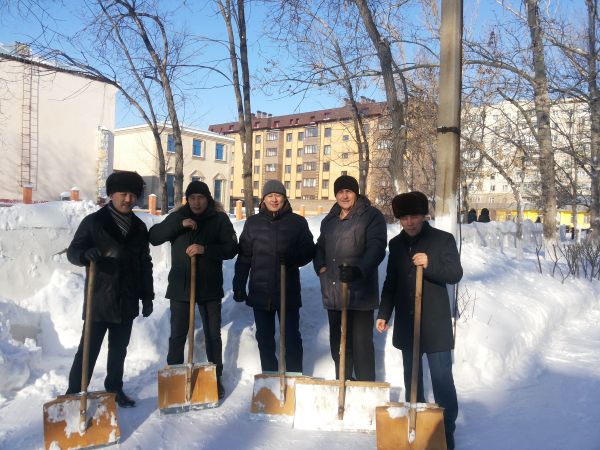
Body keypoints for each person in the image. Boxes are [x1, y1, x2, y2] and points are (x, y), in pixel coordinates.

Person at [376, 191, 463, 450]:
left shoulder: (443, 240)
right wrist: (384, 313)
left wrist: (430, 263)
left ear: (424, 215)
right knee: (412, 380)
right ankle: (418, 424)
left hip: (435, 324)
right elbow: (391, 281)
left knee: (442, 380)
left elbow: (455, 273)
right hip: (407, 323)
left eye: (414, 216)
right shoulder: (396, 244)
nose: (409, 222)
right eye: (404, 218)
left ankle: (445, 431)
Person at [65, 171, 154, 408]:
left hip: (127, 298)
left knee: (118, 350)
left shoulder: (139, 227)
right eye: (123, 194)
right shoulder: (94, 222)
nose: (128, 199)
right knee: (88, 349)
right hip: (100, 299)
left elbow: (144, 263)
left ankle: (114, 388)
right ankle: (74, 393)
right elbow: (73, 251)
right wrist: (84, 254)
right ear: (112, 194)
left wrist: (147, 296)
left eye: (133, 195)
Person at [149, 181, 237, 399]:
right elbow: (154, 236)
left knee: (212, 335)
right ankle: (175, 378)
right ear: (187, 200)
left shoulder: (219, 219)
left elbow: (231, 248)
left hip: (209, 286)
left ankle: (215, 378)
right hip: (181, 287)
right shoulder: (177, 217)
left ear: (208, 199)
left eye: (200, 198)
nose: (196, 203)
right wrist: (179, 225)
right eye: (192, 198)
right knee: (178, 334)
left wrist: (205, 249)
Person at [232, 180, 315, 373]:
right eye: (270, 196)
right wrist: (239, 285)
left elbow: (309, 250)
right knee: (264, 339)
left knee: (291, 338)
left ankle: (294, 376)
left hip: (288, 291)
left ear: (284, 198)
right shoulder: (252, 223)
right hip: (261, 291)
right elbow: (244, 257)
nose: (274, 199)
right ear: (263, 199)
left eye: (278, 195)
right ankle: (269, 377)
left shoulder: (297, 223)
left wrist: (293, 259)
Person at [313, 175, 387, 381]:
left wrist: (359, 270)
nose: (344, 196)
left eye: (348, 191)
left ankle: (365, 388)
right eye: (340, 192)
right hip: (334, 292)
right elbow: (320, 246)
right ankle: (343, 384)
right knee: (339, 346)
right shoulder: (330, 219)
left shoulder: (371, 216)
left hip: (360, 293)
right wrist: (320, 266)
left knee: (361, 346)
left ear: (356, 193)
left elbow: (377, 247)